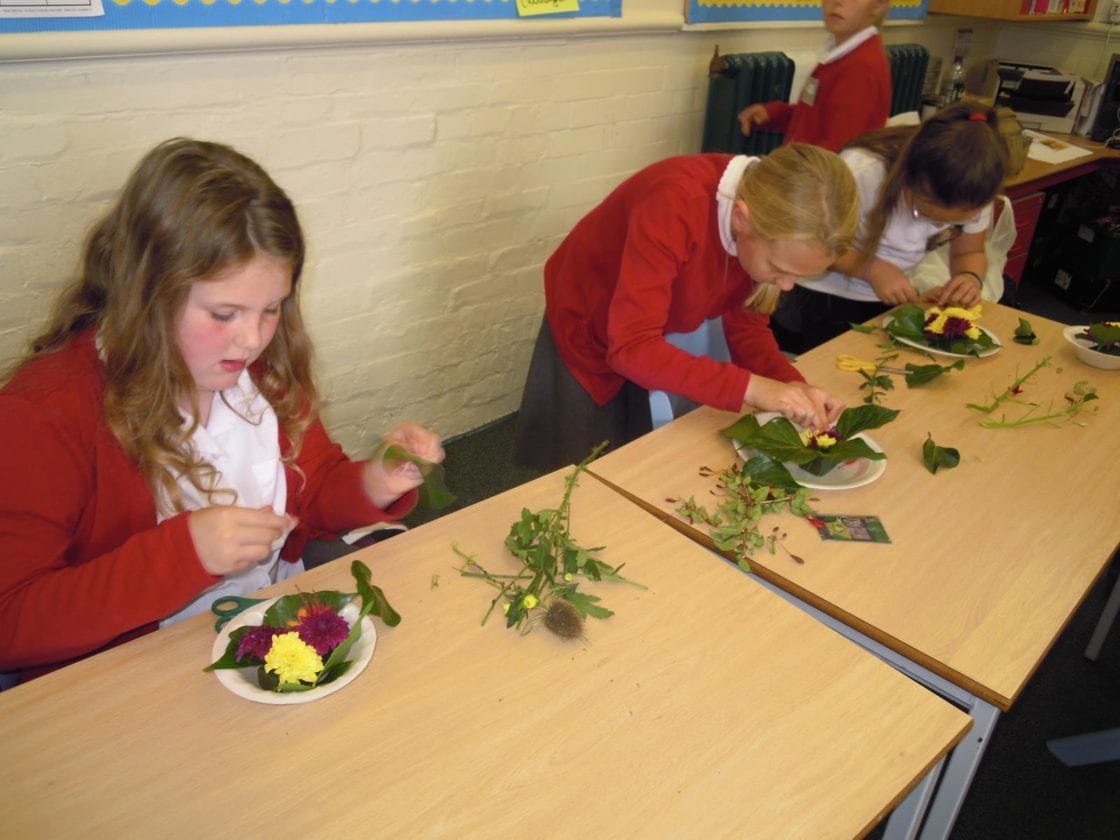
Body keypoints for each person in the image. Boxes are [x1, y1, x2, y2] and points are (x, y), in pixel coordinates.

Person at [0, 138, 444, 682]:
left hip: (256, 623)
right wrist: (183, 555)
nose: (253, 339)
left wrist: (374, 482)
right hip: (127, 673)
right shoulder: (44, 415)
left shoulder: (264, 375)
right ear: (146, 295)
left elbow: (311, 494)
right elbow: (10, 621)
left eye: (271, 309)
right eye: (224, 313)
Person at [511, 143, 859, 472]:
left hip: (639, 330)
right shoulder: (676, 202)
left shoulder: (763, 222)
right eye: (779, 270)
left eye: (798, 276)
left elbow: (747, 325)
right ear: (741, 219)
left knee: (634, 452)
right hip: (590, 319)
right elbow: (631, 348)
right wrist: (753, 388)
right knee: (584, 461)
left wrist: (792, 386)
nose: (786, 286)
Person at [769, 103, 1010, 354]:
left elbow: (969, 253)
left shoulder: (973, 190)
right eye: (924, 214)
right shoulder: (862, 171)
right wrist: (870, 269)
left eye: (955, 223)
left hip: (884, 298)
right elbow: (810, 243)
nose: (939, 227)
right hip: (821, 293)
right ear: (909, 177)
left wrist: (969, 277)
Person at [738, 0, 891, 153]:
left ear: (879, 5)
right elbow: (813, 117)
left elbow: (835, 153)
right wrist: (773, 115)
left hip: (812, 166)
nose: (837, 1)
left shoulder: (861, 68)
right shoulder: (839, 55)